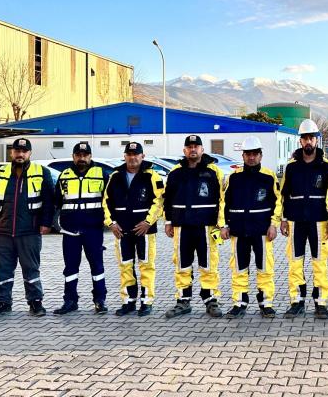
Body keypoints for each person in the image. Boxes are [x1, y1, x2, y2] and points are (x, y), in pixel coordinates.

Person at [0, 138, 55, 319]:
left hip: (29, 231)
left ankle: (35, 302)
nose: (20, 154)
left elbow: (49, 201)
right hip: (3, 231)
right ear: (11, 153)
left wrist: (46, 223)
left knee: (31, 269)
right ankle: (3, 302)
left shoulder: (41, 172)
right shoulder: (0, 172)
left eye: (24, 151)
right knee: (3, 269)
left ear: (30, 153)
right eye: (17, 151)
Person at [163, 135, 225, 319]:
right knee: (182, 264)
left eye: (196, 146)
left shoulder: (213, 171)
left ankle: (211, 299)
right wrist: (168, 221)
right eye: (189, 147)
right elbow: (167, 199)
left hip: (206, 227)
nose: (192, 149)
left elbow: (223, 199)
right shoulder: (175, 172)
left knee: (209, 263)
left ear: (202, 150)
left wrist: (221, 223)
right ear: (184, 150)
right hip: (182, 226)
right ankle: (183, 301)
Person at [220, 135, 282, 318]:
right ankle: (239, 303)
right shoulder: (233, 177)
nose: (252, 157)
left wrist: (274, 224)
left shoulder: (269, 177)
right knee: (239, 268)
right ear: (243, 156)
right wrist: (224, 225)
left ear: (261, 155)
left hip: (262, 231)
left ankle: (266, 303)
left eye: (255, 154)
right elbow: (224, 203)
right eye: (248, 154)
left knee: (265, 268)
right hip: (238, 231)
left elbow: (278, 202)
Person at [280, 119, 328, 319]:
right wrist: (283, 219)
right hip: (295, 222)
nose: (308, 141)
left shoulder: (326, 166)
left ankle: (321, 302)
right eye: (305, 138)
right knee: (295, 262)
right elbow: (284, 194)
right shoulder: (291, 167)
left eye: (311, 138)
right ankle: (297, 301)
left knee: (319, 262)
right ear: (300, 141)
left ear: (316, 140)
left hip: (319, 221)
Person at [103, 142, 165, 317]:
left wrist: (148, 221)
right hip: (121, 231)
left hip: (144, 231)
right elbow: (106, 201)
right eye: (129, 154)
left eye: (136, 154)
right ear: (124, 156)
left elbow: (160, 201)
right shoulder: (115, 176)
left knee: (146, 266)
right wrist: (111, 223)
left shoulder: (152, 176)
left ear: (142, 156)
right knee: (125, 266)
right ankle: (128, 302)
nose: (132, 157)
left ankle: (146, 302)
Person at [53, 142, 110, 315]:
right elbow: (57, 201)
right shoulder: (64, 175)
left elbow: (109, 200)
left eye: (85, 155)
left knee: (97, 267)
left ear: (90, 156)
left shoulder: (101, 174)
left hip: (93, 229)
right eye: (78, 155)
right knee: (70, 267)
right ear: (73, 157)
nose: (82, 158)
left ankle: (100, 300)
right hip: (70, 230)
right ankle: (70, 301)